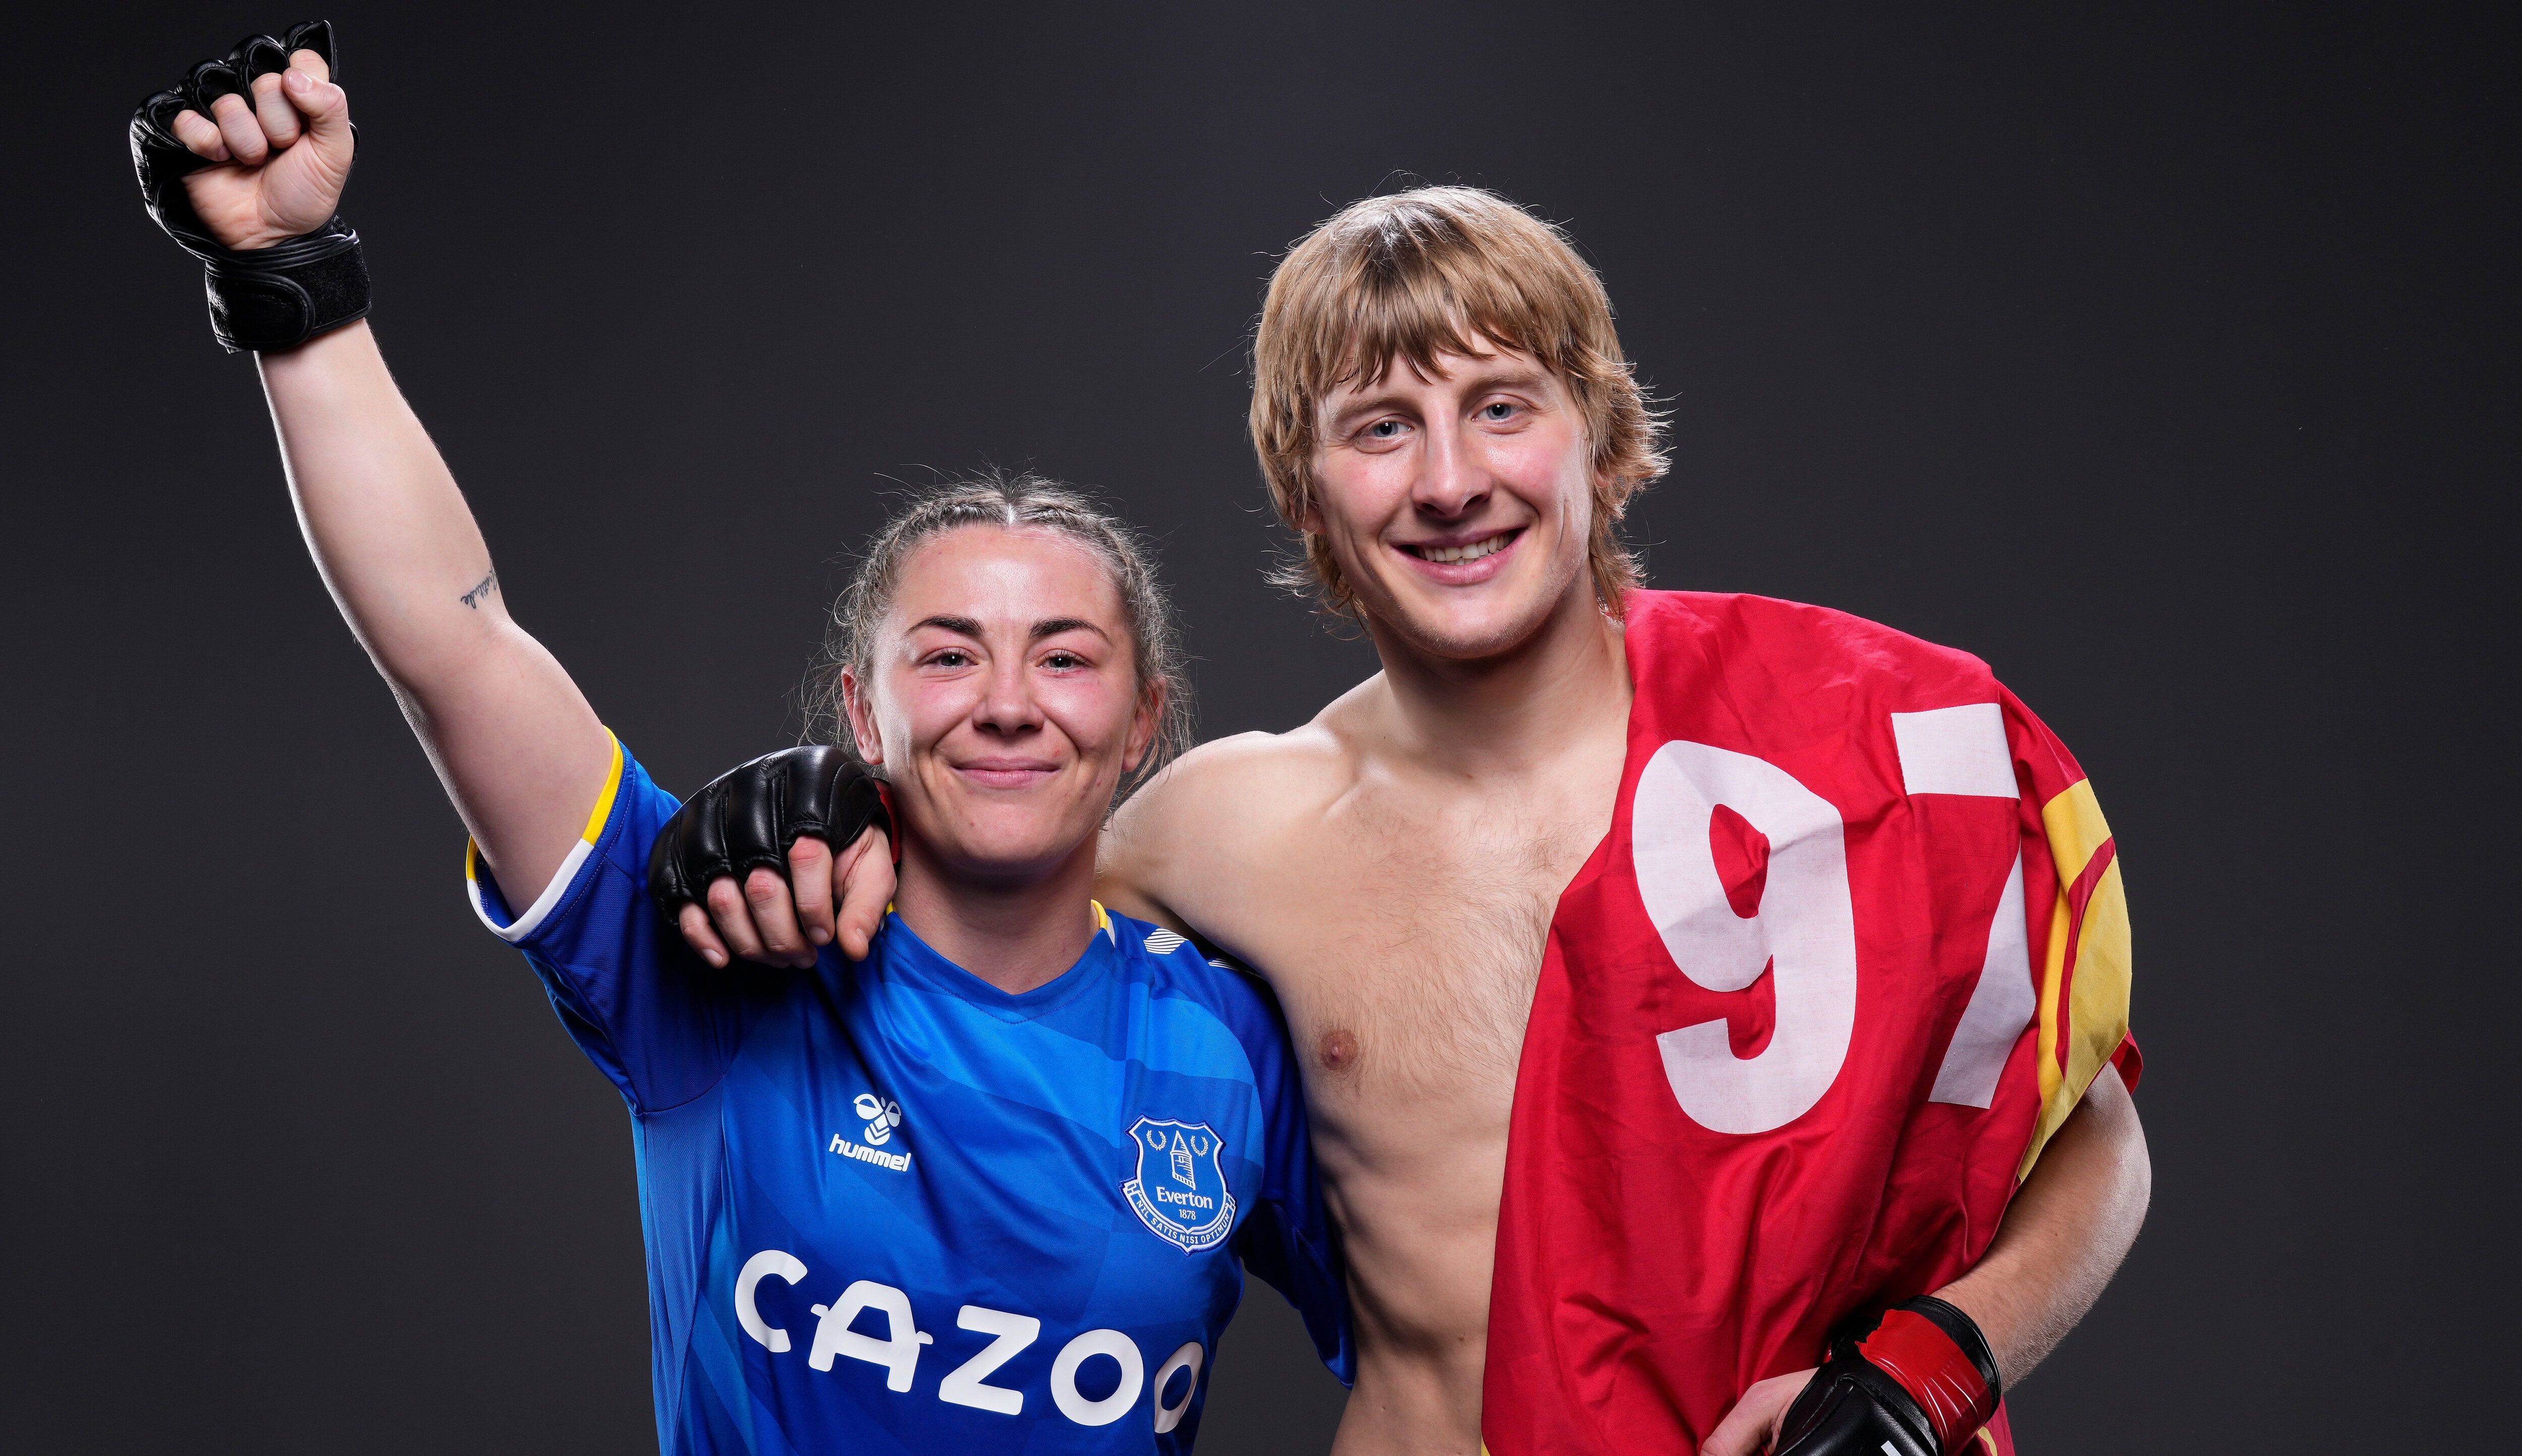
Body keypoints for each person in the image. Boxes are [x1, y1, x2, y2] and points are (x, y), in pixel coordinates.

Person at [661, 188, 2154, 1455]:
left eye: (1501, 408)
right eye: (1380, 428)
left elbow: (2094, 1139)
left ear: (1600, 437)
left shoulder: (1845, 757)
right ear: (1310, 497)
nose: (1450, 483)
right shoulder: (1219, 834)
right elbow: (972, 894)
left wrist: (1937, 1369)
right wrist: (807, 812)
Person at [125, 26, 1350, 1454]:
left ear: (1142, 724)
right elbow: (457, 650)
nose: (1007, 701)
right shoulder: (714, 946)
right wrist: (296, 288)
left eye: (1066, 658)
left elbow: (1451, 1345)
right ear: (860, 713)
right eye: (946, 655)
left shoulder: (1232, 1049)